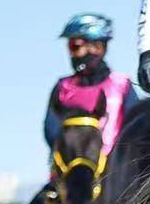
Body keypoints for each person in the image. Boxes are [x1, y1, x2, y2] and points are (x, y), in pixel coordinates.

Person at [45, 13, 140, 159]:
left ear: (96, 48)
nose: (72, 54)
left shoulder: (122, 85)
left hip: (113, 171)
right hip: (71, 170)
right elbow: (51, 130)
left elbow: (135, 128)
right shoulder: (62, 87)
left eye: (75, 46)